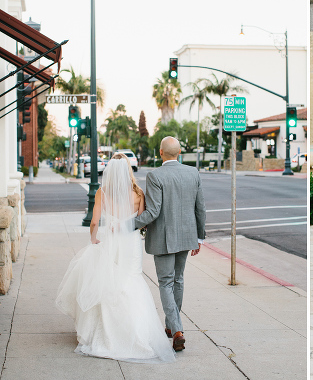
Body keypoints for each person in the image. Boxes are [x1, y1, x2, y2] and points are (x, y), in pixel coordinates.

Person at [55, 155, 177, 363]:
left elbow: (94, 222)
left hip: (111, 241)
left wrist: (94, 239)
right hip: (130, 244)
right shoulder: (138, 193)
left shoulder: (103, 193)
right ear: (128, 171)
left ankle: (107, 334)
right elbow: (141, 222)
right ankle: (137, 336)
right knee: (131, 281)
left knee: (109, 283)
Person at [130, 137, 207, 352]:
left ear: (161, 153)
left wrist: (127, 225)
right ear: (180, 152)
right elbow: (200, 208)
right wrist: (199, 236)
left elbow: (153, 212)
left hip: (164, 238)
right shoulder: (193, 173)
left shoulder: (155, 176)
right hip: (186, 237)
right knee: (178, 280)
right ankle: (171, 326)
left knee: (165, 282)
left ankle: (177, 330)